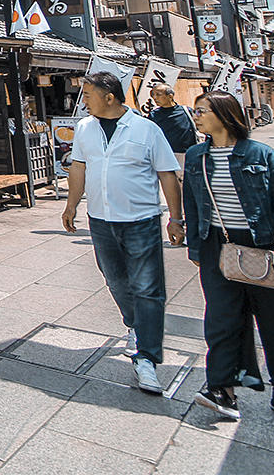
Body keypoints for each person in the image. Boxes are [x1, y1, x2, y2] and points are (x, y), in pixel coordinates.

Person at [184, 91, 274, 420]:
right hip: (217, 244)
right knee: (221, 319)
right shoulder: (196, 156)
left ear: (225, 114)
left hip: (260, 244)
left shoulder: (260, 153)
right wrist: (196, 248)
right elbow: (192, 204)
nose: (196, 116)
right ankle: (222, 388)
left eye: (202, 111)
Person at [63, 71, 185, 395]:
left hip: (141, 220)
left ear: (109, 97)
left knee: (147, 287)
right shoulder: (85, 129)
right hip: (100, 220)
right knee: (115, 279)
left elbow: (168, 175)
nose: (83, 99)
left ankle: (145, 358)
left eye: (88, 94)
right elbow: (79, 167)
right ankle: (134, 324)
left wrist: (176, 218)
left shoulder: (147, 130)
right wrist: (71, 205)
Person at [148, 84, 198, 183]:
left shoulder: (186, 111)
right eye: (153, 95)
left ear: (170, 96)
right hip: (165, 157)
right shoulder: (153, 115)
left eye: (158, 94)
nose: (155, 98)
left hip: (186, 156)